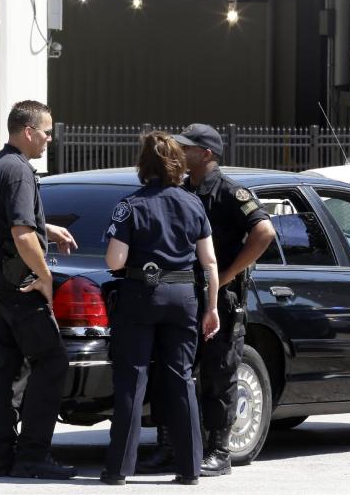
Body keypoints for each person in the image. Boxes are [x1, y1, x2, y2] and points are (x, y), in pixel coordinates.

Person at [136, 123, 275, 477]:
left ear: (207, 154)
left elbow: (264, 232)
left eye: (188, 148)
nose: (180, 152)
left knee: (218, 373)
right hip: (183, 294)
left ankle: (218, 450)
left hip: (219, 299)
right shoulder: (182, 189)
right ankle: (170, 445)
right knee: (173, 369)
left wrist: (226, 276)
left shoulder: (229, 191)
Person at [100, 131, 220, 486]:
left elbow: (115, 260)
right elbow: (210, 262)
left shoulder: (130, 205)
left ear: (143, 165)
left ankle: (119, 469)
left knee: (132, 379)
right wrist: (211, 308)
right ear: (178, 165)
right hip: (184, 296)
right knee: (181, 379)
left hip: (142, 294)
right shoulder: (193, 203)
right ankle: (190, 468)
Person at [0, 100, 79, 480]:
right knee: (52, 361)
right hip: (18, 280)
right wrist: (45, 276)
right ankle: (33, 455)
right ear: (29, 131)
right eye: (47, 131)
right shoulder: (19, 171)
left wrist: (45, 228)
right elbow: (20, 234)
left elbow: (9, 222)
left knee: (5, 367)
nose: (50, 139)